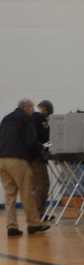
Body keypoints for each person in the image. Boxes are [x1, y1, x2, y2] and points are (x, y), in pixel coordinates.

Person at [0, 99, 50, 237]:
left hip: (2, 159)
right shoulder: (25, 119)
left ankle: (11, 226)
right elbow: (31, 141)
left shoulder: (6, 118)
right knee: (27, 192)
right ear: (26, 107)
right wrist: (42, 150)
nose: (33, 110)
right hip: (17, 159)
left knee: (9, 195)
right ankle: (34, 224)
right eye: (32, 107)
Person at [31, 100, 53, 219]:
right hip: (36, 157)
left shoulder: (30, 118)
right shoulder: (40, 119)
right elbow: (45, 137)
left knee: (35, 186)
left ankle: (37, 214)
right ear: (46, 109)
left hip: (28, 157)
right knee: (43, 185)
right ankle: (38, 214)